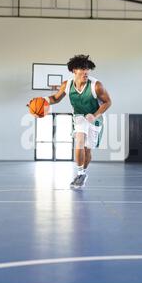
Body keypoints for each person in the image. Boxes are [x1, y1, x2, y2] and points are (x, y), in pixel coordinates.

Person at [43, 55, 112, 188]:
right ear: (74, 70)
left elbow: (108, 102)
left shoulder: (96, 86)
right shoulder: (67, 85)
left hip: (95, 118)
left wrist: (96, 115)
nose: (86, 72)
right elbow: (56, 98)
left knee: (87, 150)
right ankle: (80, 173)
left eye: (87, 69)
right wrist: (43, 100)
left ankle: (83, 172)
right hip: (79, 116)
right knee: (79, 139)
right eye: (82, 69)